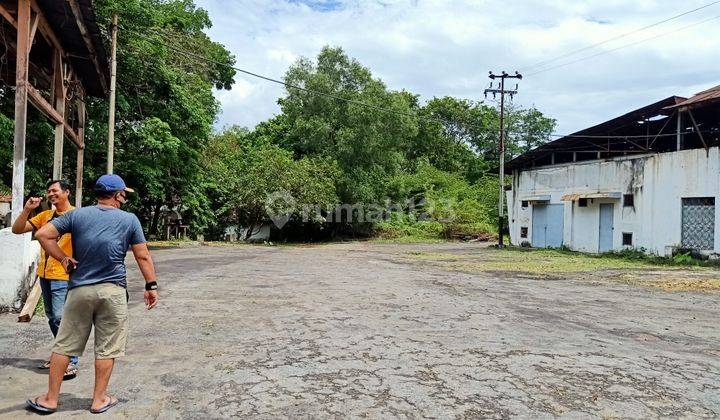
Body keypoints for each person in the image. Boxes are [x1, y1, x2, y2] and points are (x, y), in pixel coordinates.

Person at [25, 174, 159, 415]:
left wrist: (63, 258)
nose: (124, 198)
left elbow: (43, 235)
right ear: (117, 195)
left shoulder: (77, 215)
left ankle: (50, 400)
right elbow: (142, 256)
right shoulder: (130, 220)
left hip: (79, 291)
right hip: (113, 291)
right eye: (123, 194)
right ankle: (99, 400)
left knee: (64, 345)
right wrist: (151, 286)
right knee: (107, 348)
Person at [12, 180, 80, 379]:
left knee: (60, 316)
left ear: (67, 192)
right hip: (45, 274)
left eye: (55, 190)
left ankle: (70, 359)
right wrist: (26, 209)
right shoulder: (45, 216)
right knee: (52, 317)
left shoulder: (77, 216)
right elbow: (17, 229)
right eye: (49, 191)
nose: (51, 194)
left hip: (64, 274)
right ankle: (61, 356)